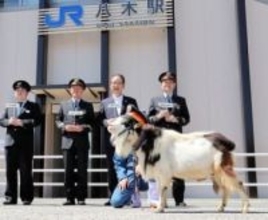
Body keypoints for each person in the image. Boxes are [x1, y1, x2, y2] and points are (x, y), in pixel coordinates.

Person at [147, 71, 190, 207]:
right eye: (165, 82)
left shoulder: (181, 100)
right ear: (161, 85)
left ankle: (179, 200)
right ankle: (161, 200)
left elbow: (186, 119)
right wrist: (159, 116)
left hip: (176, 140)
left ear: (174, 84)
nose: (167, 84)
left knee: (178, 168)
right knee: (160, 170)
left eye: (170, 82)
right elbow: (148, 119)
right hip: (159, 140)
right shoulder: (154, 100)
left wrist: (175, 119)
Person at [97, 74, 138, 206]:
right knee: (112, 168)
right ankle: (114, 196)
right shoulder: (104, 102)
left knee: (128, 168)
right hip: (111, 142)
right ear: (110, 85)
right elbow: (99, 120)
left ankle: (128, 197)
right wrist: (106, 123)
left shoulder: (131, 101)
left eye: (118, 83)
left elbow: (137, 119)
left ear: (123, 85)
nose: (116, 85)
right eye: (113, 83)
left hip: (127, 142)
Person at [0, 80, 42, 205]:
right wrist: (9, 122)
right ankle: (10, 197)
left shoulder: (33, 106)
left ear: (27, 93)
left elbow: (38, 120)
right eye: (17, 91)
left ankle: (26, 197)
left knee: (25, 170)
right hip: (10, 144)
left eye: (22, 91)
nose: (19, 92)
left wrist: (22, 122)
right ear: (15, 93)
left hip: (25, 144)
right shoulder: (9, 106)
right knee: (10, 171)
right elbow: (1, 120)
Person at [55, 78, 95, 205]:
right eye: (73, 87)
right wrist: (64, 127)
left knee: (82, 170)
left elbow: (92, 123)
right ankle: (69, 197)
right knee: (68, 171)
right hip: (67, 142)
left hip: (82, 142)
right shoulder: (63, 105)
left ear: (83, 90)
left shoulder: (88, 106)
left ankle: (81, 197)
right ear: (70, 90)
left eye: (79, 88)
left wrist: (83, 127)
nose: (76, 90)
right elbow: (58, 120)